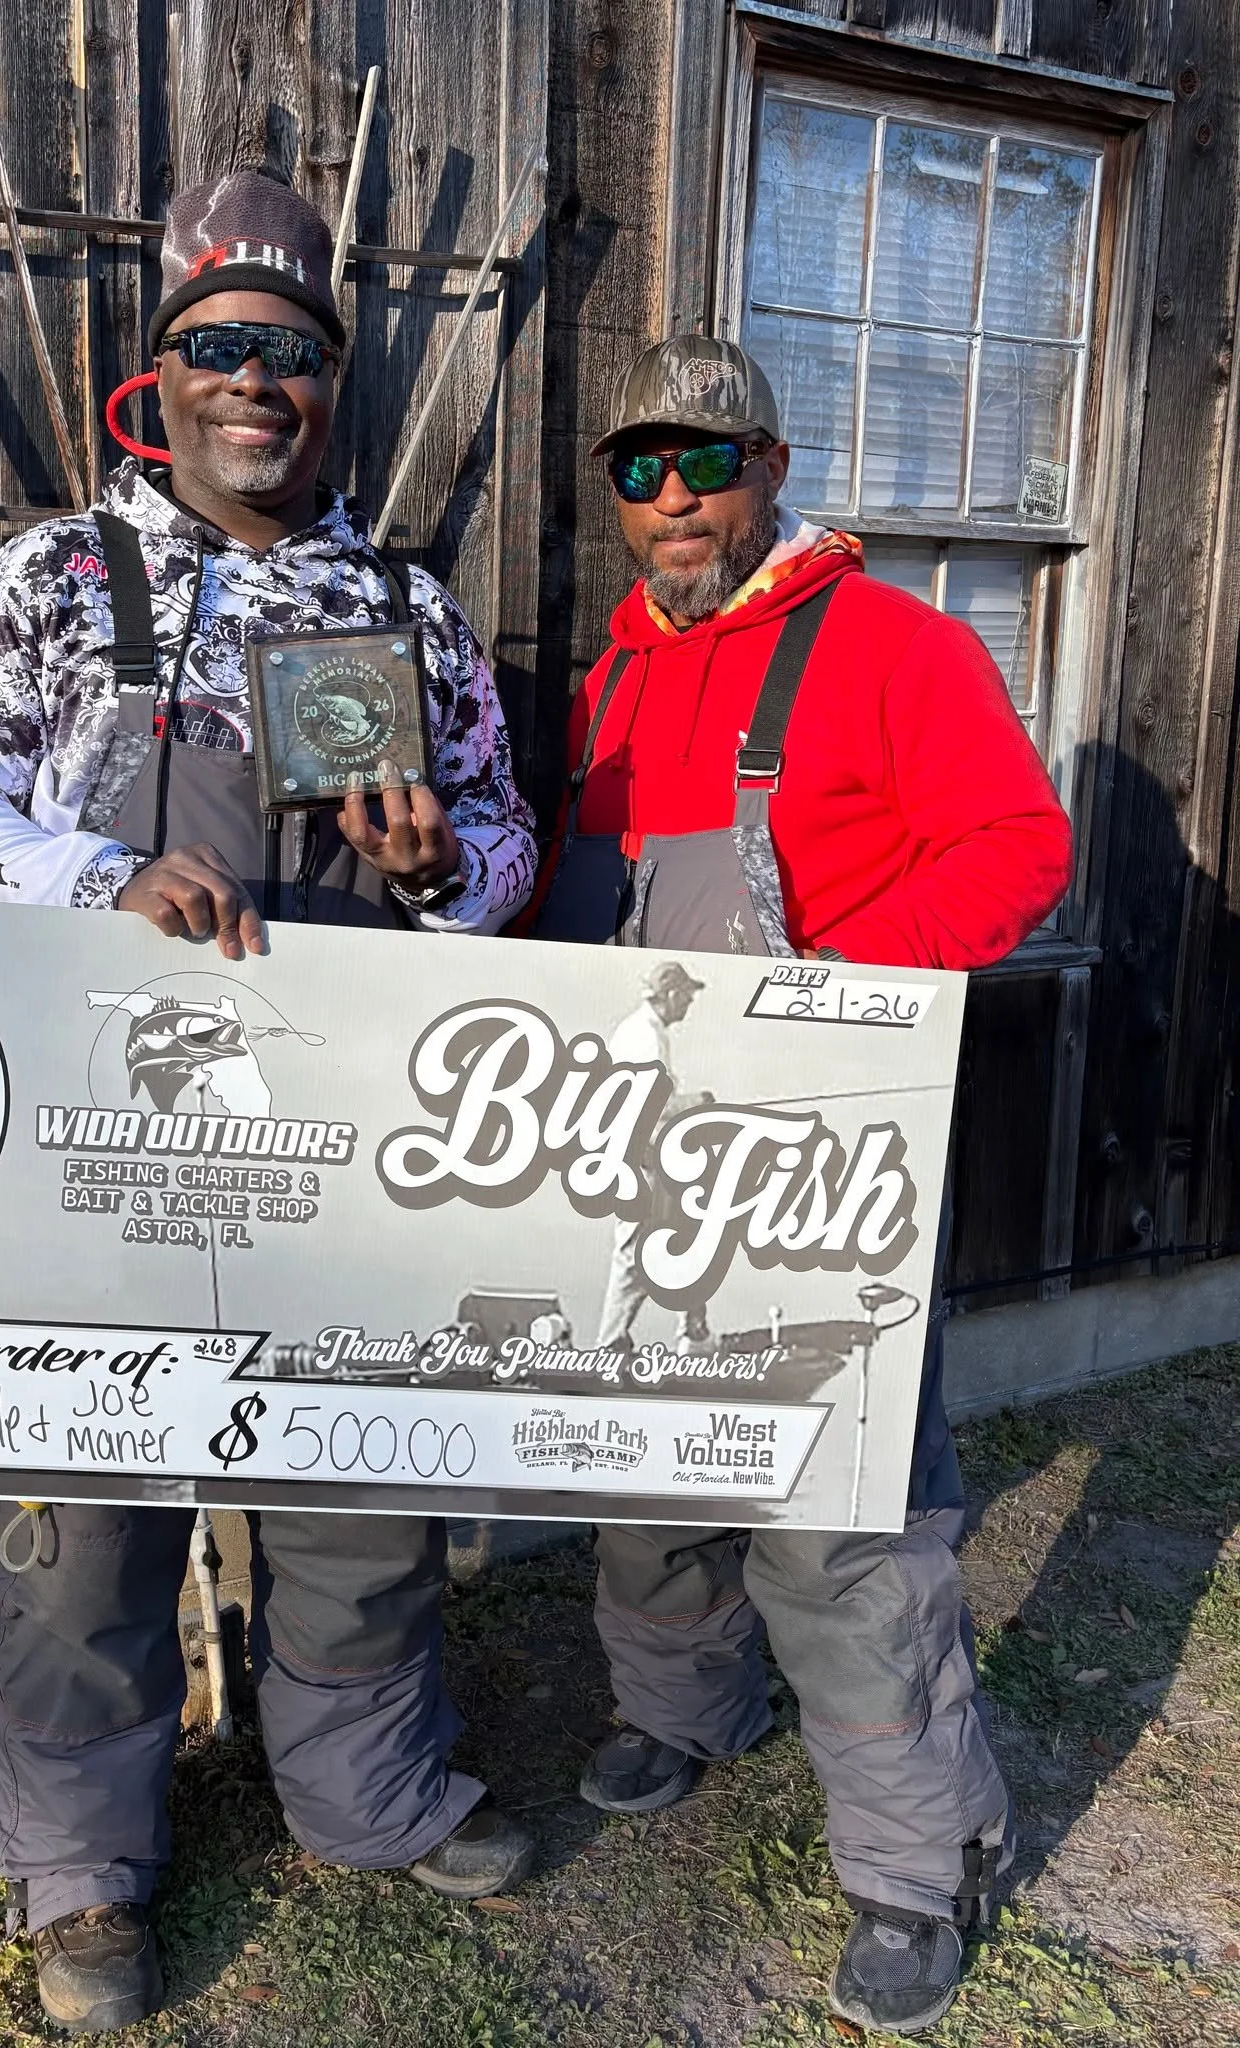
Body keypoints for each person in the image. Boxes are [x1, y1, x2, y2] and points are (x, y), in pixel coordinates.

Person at [0, 168, 538, 2035]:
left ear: (333, 381)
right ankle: (82, 1862)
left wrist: (434, 870)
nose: (256, 377)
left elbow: (502, 835)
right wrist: (98, 878)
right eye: (219, 345)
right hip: (103, 1143)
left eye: (293, 350)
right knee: (82, 1512)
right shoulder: (54, 582)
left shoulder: (400, 602)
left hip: (339, 1137)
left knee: (354, 1491)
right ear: (155, 379)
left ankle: (368, 1787)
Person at [529, 335, 1072, 2037]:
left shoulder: (895, 648)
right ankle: (688, 1708)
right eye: (640, 468)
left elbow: (1019, 847)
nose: (673, 496)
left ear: (770, 463)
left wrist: (833, 983)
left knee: (846, 1521)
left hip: (820, 1142)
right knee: (646, 1457)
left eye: (705, 460)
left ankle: (922, 1861)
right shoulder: (608, 680)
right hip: (628, 1141)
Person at [594, 962, 710, 1354]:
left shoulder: (639, 1031)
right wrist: (698, 1102)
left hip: (639, 1157)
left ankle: (692, 1333)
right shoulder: (646, 1036)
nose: (690, 1004)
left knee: (681, 1234)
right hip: (637, 1160)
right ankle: (611, 1344)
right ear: (672, 994)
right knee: (636, 1251)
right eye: (688, 996)